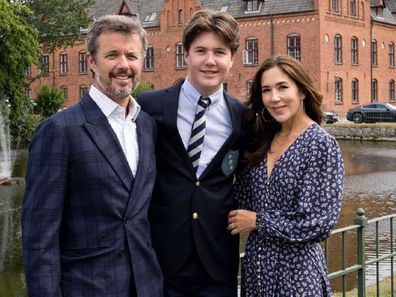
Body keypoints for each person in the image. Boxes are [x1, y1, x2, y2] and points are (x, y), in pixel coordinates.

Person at [22, 15, 163, 297]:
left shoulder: (147, 126)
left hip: (147, 286)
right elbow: (39, 239)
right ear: (92, 61)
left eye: (132, 56)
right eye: (112, 55)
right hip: (87, 288)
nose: (124, 65)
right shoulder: (59, 131)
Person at [138, 9, 246, 297]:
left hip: (217, 260)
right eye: (201, 51)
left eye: (219, 52)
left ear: (232, 59)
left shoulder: (242, 117)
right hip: (161, 257)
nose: (210, 61)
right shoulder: (149, 106)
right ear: (186, 55)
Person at [227, 55, 344, 296]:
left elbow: (318, 223)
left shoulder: (321, 145)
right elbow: (243, 201)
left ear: (302, 91)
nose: (274, 98)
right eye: (266, 90)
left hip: (298, 274)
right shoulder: (263, 140)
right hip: (257, 271)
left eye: (282, 87)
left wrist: (259, 222)